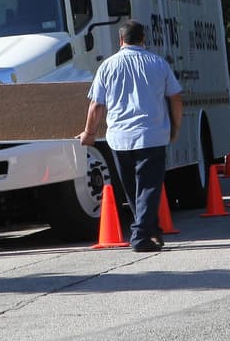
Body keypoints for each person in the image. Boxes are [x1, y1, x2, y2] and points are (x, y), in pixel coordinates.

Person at [77, 20, 183, 252]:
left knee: (134, 189)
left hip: (120, 139)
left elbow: (96, 106)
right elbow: (175, 99)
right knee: (148, 187)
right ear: (143, 39)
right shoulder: (159, 64)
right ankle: (141, 237)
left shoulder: (107, 66)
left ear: (120, 40)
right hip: (152, 135)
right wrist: (175, 128)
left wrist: (89, 133)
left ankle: (150, 231)